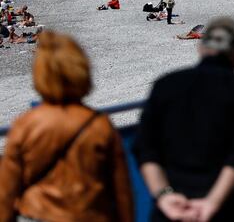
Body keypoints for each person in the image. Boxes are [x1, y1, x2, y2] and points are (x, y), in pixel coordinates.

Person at [134, 18, 234, 221]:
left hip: (169, 211)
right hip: (223, 210)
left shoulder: (165, 84)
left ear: (200, 47)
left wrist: (163, 196)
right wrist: (212, 202)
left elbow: (144, 147)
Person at [0, 31, 134, 222]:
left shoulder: (25, 125)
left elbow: (6, 192)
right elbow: (121, 190)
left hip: (38, 215)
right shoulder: (99, 125)